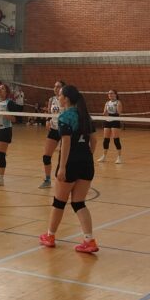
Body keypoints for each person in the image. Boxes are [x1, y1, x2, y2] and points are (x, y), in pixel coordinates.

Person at [39, 84, 98, 254]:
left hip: (70, 162)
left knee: (59, 202)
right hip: (87, 163)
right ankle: (89, 240)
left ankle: (50, 236)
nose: (58, 97)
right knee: (79, 203)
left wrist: (63, 167)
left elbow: (66, 143)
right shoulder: (85, 116)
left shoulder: (65, 116)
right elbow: (94, 141)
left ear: (66, 99)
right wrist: (87, 156)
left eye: (60, 95)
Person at [39, 80, 65, 189]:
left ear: (63, 88)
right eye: (55, 86)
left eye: (58, 86)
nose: (55, 88)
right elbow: (49, 113)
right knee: (46, 156)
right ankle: (47, 180)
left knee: (64, 158)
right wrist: (47, 120)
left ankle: (68, 180)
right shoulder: (51, 99)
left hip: (65, 131)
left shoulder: (67, 99)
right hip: (54, 129)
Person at [98, 89, 124, 163]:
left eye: (111, 93)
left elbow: (118, 113)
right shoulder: (107, 103)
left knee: (116, 139)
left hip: (115, 121)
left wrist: (109, 114)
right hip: (107, 121)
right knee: (106, 140)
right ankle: (104, 156)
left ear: (115, 94)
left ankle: (119, 157)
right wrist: (104, 114)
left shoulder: (118, 102)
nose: (110, 94)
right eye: (109, 93)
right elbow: (104, 112)